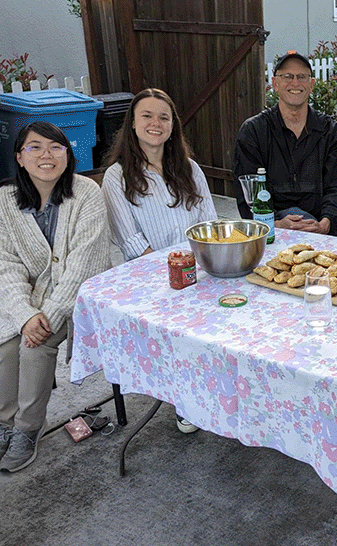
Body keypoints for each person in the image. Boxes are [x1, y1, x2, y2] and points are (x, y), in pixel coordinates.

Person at [0, 121, 110, 473]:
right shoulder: (1, 201)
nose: (46, 155)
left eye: (56, 147)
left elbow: (84, 265)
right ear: (20, 157)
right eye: (35, 147)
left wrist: (46, 316)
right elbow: (2, 266)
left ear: (68, 154)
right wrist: (23, 314)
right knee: (7, 345)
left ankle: (27, 429)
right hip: (27, 300)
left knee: (34, 345)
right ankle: (3, 426)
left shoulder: (86, 193)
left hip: (75, 296)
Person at [101, 88, 217, 434]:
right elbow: (132, 244)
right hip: (150, 281)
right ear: (132, 125)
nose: (156, 123)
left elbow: (210, 225)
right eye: (147, 116)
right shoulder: (117, 176)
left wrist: (208, 267)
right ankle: (187, 399)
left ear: (173, 126)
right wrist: (181, 272)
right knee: (186, 323)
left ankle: (220, 389)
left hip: (199, 269)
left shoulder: (190, 169)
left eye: (164, 117)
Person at [234, 51, 337, 236]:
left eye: (302, 77)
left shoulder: (330, 132)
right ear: (275, 83)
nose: (295, 83)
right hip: (271, 230)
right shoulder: (254, 131)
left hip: (319, 230)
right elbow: (248, 191)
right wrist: (274, 223)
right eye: (287, 76)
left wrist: (327, 222)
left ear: (311, 85)